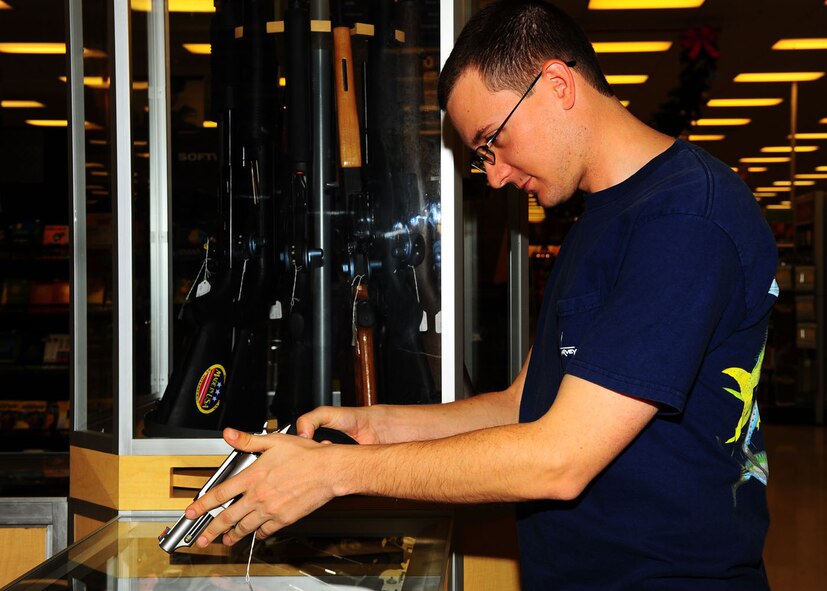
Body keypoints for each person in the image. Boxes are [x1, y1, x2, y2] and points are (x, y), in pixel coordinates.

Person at [186, 1, 777, 588]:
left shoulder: (685, 220)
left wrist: (338, 473)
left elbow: (560, 458)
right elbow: (527, 403)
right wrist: (380, 426)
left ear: (557, 83)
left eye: (493, 140)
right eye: (481, 155)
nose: (493, 176)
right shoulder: (599, 218)